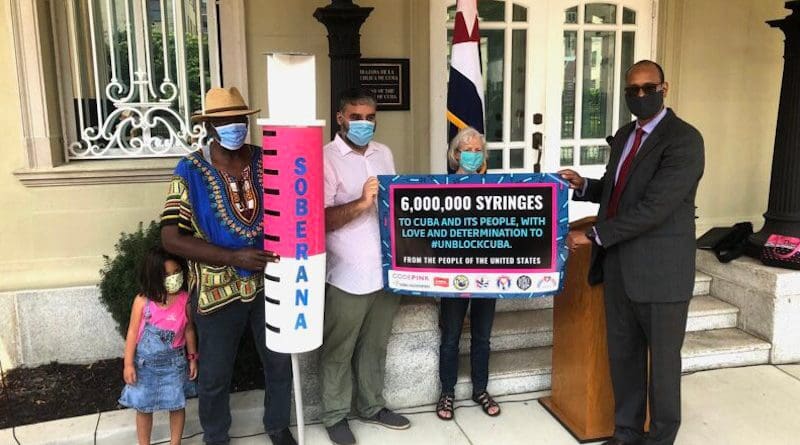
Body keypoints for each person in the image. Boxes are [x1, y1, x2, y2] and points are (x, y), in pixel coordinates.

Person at [559, 60, 704, 445]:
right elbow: (617, 189)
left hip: (661, 272)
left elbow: (655, 207)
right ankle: (625, 433)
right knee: (624, 358)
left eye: (647, 88)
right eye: (632, 91)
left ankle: (659, 439)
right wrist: (583, 185)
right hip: (621, 267)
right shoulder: (625, 135)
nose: (640, 96)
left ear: (664, 87)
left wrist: (595, 236)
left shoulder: (684, 139)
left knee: (663, 367)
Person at [161, 87, 295, 445]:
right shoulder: (190, 169)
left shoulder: (268, 160)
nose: (234, 126)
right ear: (210, 126)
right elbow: (171, 238)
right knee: (216, 373)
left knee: (279, 363)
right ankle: (216, 436)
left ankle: (279, 426)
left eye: (239, 119)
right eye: (224, 121)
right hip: (217, 288)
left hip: (272, 282)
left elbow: (294, 211)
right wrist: (233, 257)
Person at [320, 87, 410, 445]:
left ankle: (372, 406)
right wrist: (361, 202)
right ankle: (334, 414)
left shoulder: (384, 152)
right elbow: (320, 219)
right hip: (348, 273)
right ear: (341, 117)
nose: (363, 123)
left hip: (386, 269)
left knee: (376, 344)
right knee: (339, 347)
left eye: (370, 117)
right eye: (356, 117)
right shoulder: (325, 158)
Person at [436, 127, 501, 421]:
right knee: (450, 337)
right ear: (455, 154)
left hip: (486, 273)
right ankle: (447, 392)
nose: (473, 155)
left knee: (482, 337)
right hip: (452, 274)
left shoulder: (496, 188)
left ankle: (480, 389)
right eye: (467, 150)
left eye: (478, 150)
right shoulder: (438, 188)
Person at [119, 247, 198, 445]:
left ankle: (175, 442)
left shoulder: (184, 300)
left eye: (176, 273)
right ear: (154, 277)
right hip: (145, 366)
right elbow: (132, 333)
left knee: (176, 404)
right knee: (144, 408)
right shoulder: (142, 302)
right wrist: (128, 364)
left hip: (175, 364)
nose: (174, 278)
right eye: (168, 275)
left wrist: (192, 358)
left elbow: (189, 330)